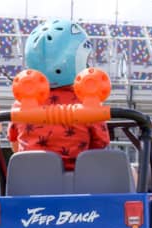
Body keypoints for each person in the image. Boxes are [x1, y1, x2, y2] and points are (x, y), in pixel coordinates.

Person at [7, 19, 109, 171]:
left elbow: (15, 146)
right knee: (130, 171)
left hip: (28, 185)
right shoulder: (88, 105)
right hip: (81, 186)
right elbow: (100, 146)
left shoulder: (21, 105)